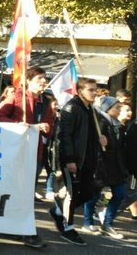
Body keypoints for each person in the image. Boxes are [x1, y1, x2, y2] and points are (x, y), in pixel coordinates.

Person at [0, 67, 53, 248]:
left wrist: (46, 127)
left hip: (34, 154)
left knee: (27, 193)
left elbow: (50, 124)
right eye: (40, 78)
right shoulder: (16, 97)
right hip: (14, 154)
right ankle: (18, 228)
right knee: (13, 191)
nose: (43, 82)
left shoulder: (46, 102)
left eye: (45, 79)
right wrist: (20, 125)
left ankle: (22, 228)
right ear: (28, 80)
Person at [49, 78, 102, 246]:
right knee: (71, 195)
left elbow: (88, 134)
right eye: (91, 90)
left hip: (87, 160)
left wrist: (100, 139)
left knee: (90, 191)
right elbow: (65, 136)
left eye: (95, 90)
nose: (95, 93)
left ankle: (59, 211)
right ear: (80, 91)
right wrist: (69, 159)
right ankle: (68, 228)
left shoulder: (90, 109)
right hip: (73, 159)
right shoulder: (71, 108)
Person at [79, 96, 129, 239]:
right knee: (93, 196)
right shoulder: (99, 122)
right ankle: (87, 222)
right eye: (117, 107)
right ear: (108, 108)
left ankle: (108, 224)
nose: (120, 110)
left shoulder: (117, 124)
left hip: (116, 167)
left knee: (120, 194)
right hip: (101, 165)